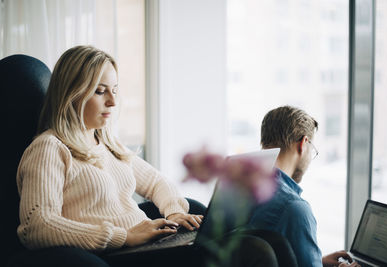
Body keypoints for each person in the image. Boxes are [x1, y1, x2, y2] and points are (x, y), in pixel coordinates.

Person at [10, 45, 278, 267]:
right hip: (118, 255)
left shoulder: (106, 143)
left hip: (146, 243)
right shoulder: (49, 149)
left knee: (268, 239)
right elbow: (37, 226)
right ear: (70, 93)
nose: (112, 103)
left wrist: (174, 211)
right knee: (254, 251)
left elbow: (158, 183)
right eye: (100, 91)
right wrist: (122, 236)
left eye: (114, 90)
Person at [248, 106, 360, 267]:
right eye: (312, 150)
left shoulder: (240, 188)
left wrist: (317, 262)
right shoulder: (294, 208)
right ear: (304, 143)